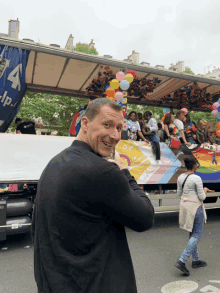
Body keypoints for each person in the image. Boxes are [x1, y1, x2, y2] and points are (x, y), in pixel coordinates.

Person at [32, 98, 154, 293]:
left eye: (119, 128)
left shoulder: (54, 163)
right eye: (107, 125)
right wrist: (124, 172)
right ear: (85, 123)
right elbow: (146, 218)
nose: (115, 136)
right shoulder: (102, 171)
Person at [175, 157, 214, 276]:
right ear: (194, 165)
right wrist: (205, 190)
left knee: (192, 233)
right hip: (195, 208)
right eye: (197, 163)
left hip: (185, 207)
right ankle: (182, 260)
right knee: (196, 234)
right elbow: (202, 197)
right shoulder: (197, 178)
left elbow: (179, 194)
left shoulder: (180, 177)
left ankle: (196, 260)